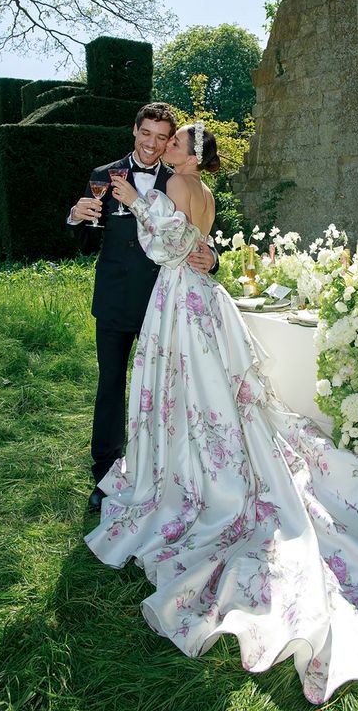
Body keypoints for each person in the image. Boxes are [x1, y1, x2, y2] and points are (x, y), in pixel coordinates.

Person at [85, 123, 358, 704]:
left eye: (175, 144)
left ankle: (195, 475)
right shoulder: (202, 190)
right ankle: (197, 456)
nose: (167, 147)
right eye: (166, 142)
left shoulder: (171, 187)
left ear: (191, 157)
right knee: (208, 397)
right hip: (199, 300)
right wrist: (181, 234)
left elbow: (171, 245)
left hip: (181, 301)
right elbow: (194, 240)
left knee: (193, 395)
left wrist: (139, 200)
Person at [68, 103, 217, 513]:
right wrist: (76, 217)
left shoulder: (178, 178)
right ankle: (104, 473)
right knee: (111, 385)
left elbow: (192, 234)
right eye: (145, 133)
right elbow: (85, 242)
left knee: (163, 391)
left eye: (161, 137)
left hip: (162, 304)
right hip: (115, 299)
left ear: (172, 141)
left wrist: (214, 257)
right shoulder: (104, 175)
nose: (152, 144)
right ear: (134, 130)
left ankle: (157, 467)